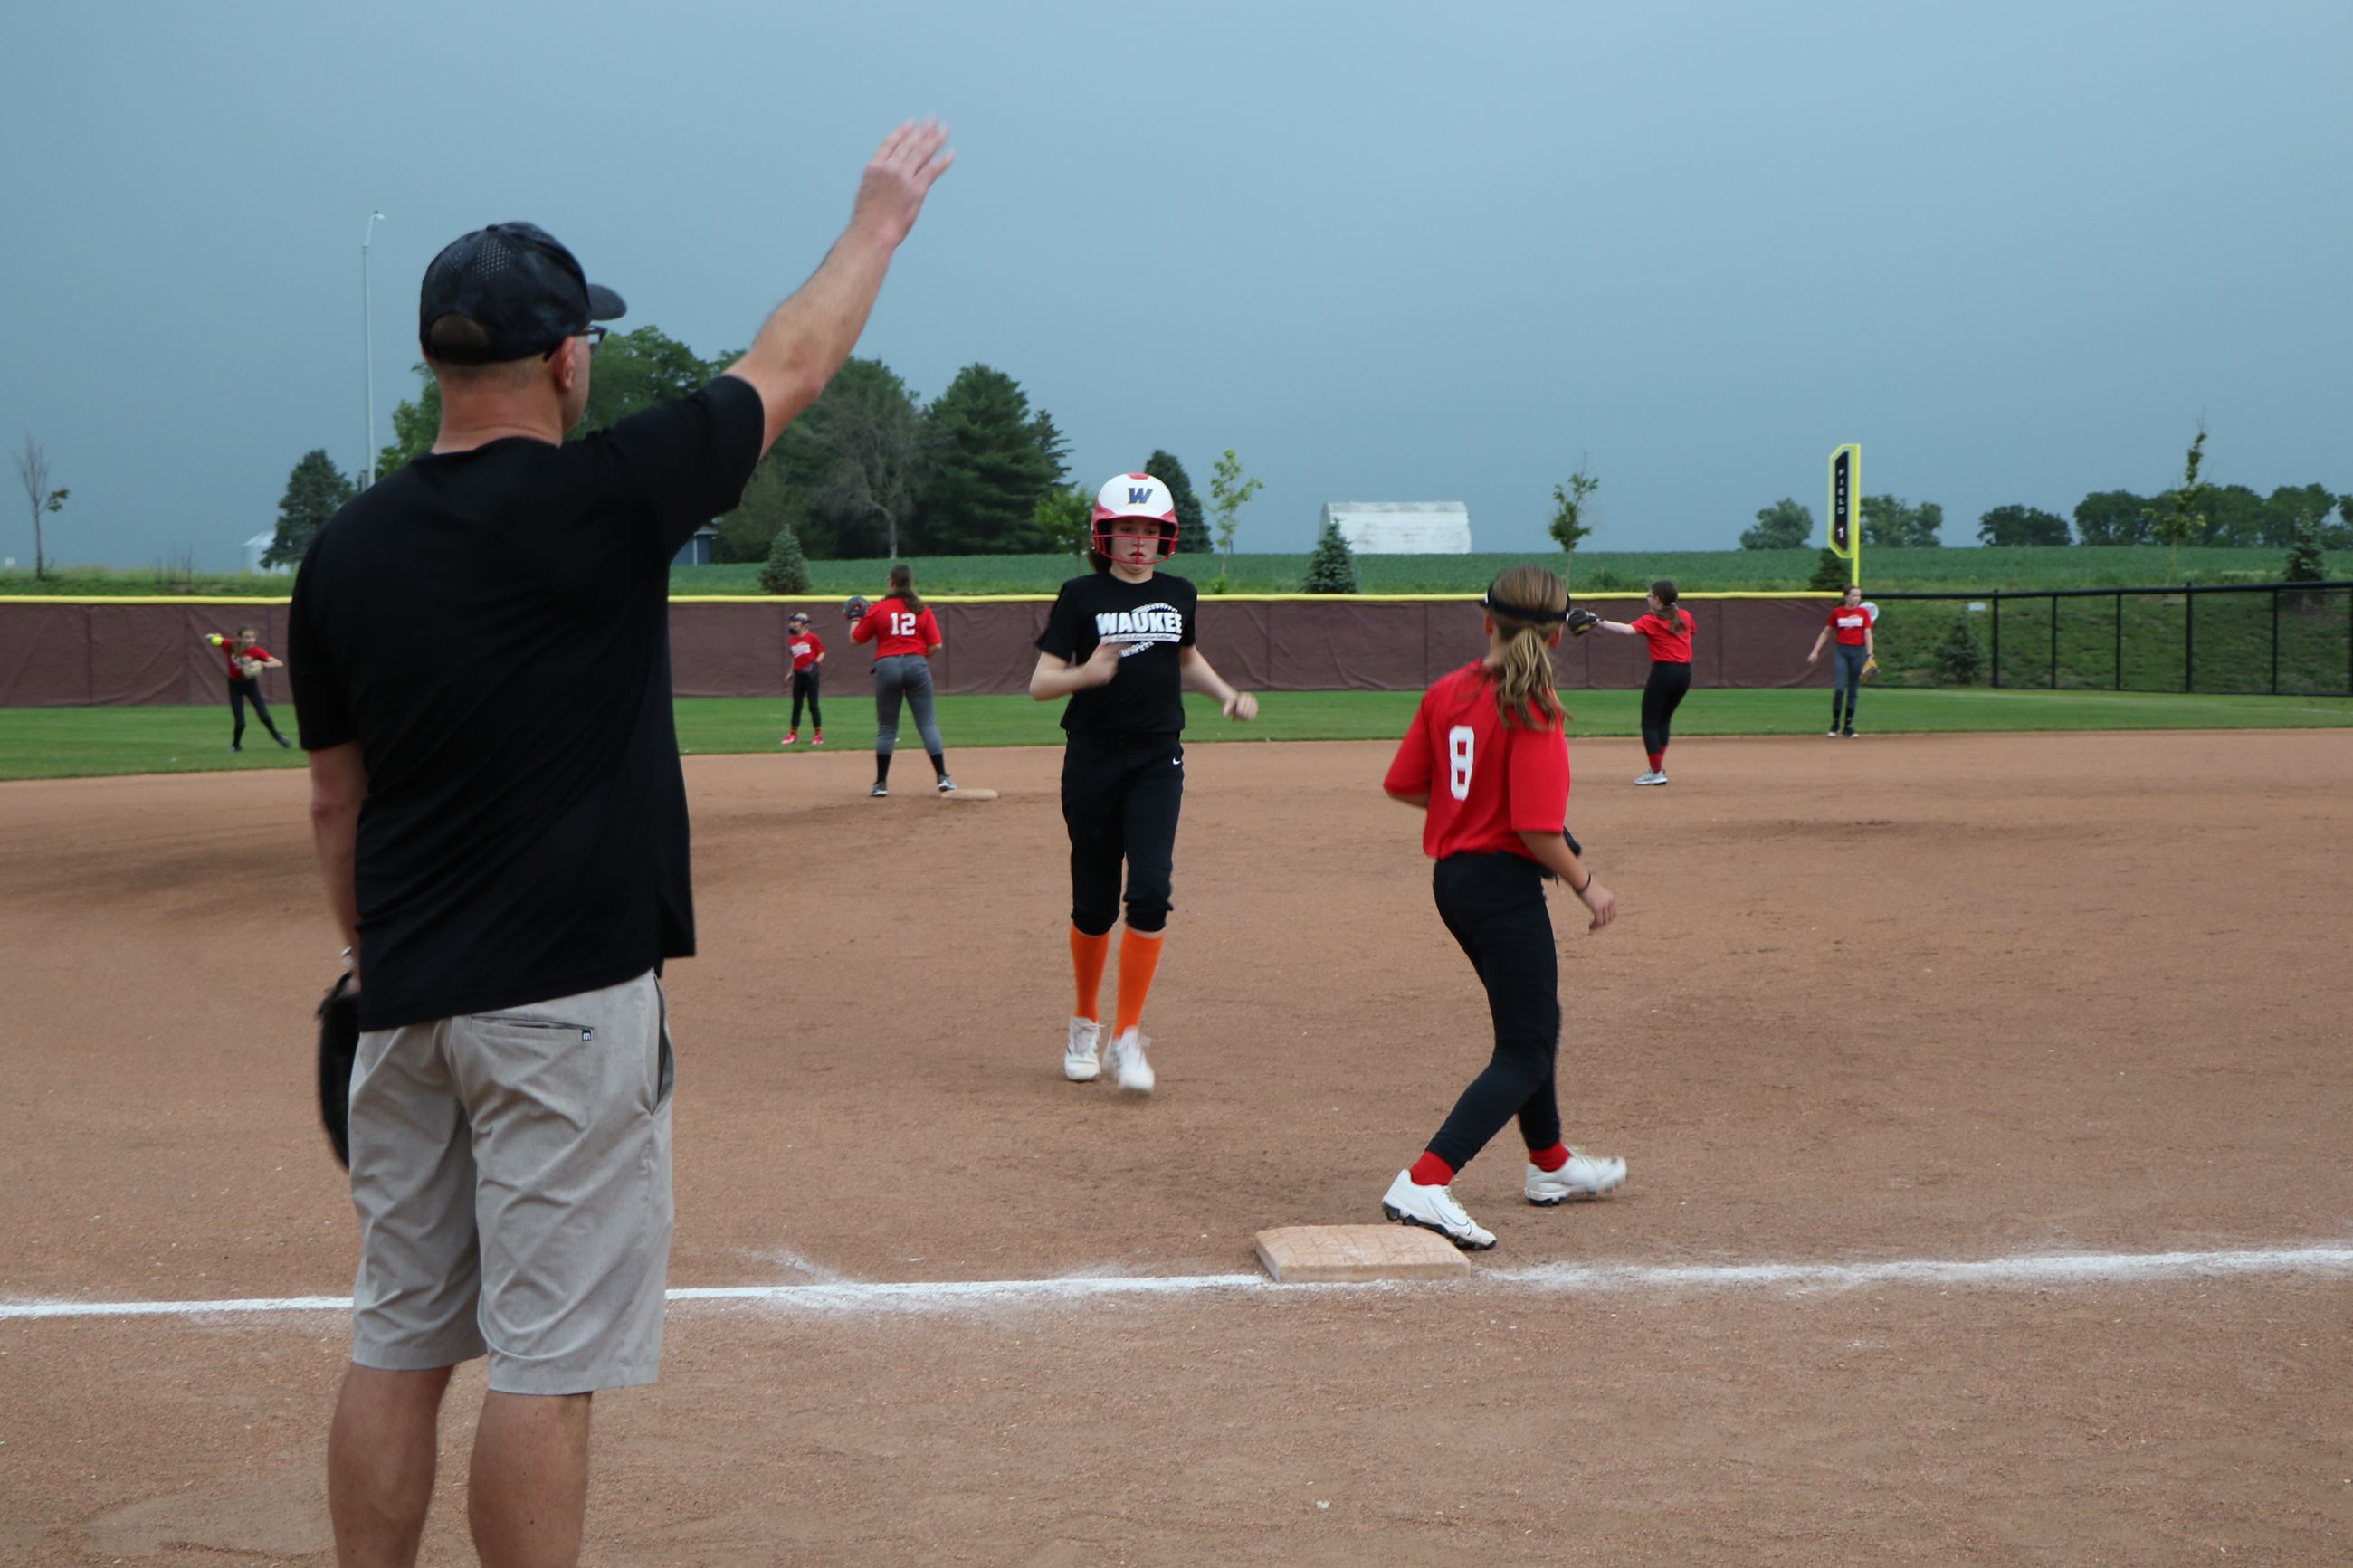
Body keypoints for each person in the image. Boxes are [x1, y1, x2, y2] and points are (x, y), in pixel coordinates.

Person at [288, 121, 952, 1568]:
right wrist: (877, 225)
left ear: (436, 365)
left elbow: (335, 802)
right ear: (566, 362)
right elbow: (791, 362)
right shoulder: (612, 495)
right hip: (565, 1000)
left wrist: (368, 954)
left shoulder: (345, 550)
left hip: (406, 997)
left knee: (399, 1337)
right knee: (546, 1359)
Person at [1378, 565, 1625, 1249]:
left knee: (1535, 1022)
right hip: (1502, 888)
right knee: (1523, 1049)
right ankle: (1426, 1179)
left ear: (1487, 621)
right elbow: (1538, 830)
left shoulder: (1446, 691)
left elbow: (1405, 785)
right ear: (1555, 636)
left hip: (1456, 883)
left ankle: (1550, 1162)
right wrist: (1587, 883)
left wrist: (1472, 808)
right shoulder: (1533, 705)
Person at [1031, 472, 1257, 1094]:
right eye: (1127, 529)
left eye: (1150, 531)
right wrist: (1087, 673)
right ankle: (1085, 1022)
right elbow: (1041, 682)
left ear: (1167, 538)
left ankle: (1127, 1036)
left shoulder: (1180, 593)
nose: (1138, 541)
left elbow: (1184, 657)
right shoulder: (1079, 595)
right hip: (1093, 758)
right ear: (1105, 535)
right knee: (1095, 903)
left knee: (1151, 891)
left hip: (1158, 758)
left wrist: (1226, 695)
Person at [850, 563, 951, 795]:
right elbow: (936, 645)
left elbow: (856, 639)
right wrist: (917, 658)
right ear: (910, 582)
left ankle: (880, 785)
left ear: (891, 583)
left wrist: (855, 618)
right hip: (917, 664)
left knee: (887, 728)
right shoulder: (921, 609)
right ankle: (943, 777)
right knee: (927, 724)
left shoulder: (878, 609)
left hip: (887, 666)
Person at [1594, 580, 1693, 785]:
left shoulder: (1652, 619)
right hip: (1684, 674)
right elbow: (1689, 632)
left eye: (1650, 595)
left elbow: (1627, 630)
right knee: (1663, 720)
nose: (1648, 598)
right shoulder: (1684, 616)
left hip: (1664, 672)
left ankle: (1656, 772)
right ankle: (1657, 769)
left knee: (1649, 723)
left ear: (1657, 599)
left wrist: (1598, 621)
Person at [1806, 584, 1875, 736]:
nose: (1857, 598)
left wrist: (1870, 655)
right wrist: (1815, 651)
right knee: (1839, 688)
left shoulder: (1863, 613)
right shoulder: (1837, 612)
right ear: (1845, 597)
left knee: (1853, 690)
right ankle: (1835, 724)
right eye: (1853, 595)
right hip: (1841, 651)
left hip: (1858, 652)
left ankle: (1848, 726)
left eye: (1858, 595)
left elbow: (1867, 634)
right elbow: (1826, 632)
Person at [206, 624, 290, 751]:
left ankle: (278, 737)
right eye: (247, 637)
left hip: (250, 685)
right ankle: (236, 745)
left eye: (253, 637)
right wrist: (213, 637)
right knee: (240, 723)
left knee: (264, 716)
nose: (250, 640)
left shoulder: (257, 651)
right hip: (234, 686)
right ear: (239, 638)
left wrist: (262, 664)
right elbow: (210, 638)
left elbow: (278, 663)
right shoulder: (230, 645)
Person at [780, 610, 825, 746]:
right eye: (792, 622)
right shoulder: (792, 640)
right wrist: (791, 672)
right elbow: (795, 657)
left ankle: (818, 735)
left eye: (796, 622)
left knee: (813, 705)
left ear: (805, 625)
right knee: (797, 705)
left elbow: (822, 652)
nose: (793, 625)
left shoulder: (813, 638)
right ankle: (793, 734)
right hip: (799, 674)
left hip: (811, 675)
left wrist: (815, 664)